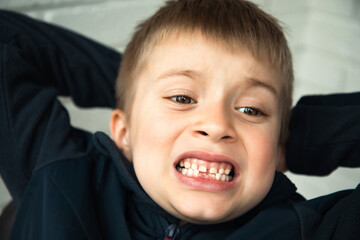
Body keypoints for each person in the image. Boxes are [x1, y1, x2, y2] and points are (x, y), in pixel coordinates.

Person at [0, 0, 358, 239]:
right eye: (182, 98)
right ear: (123, 131)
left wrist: (294, 137)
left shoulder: (310, 230)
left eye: (251, 110)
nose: (217, 125)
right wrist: (136, 85)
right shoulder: (61, 175)